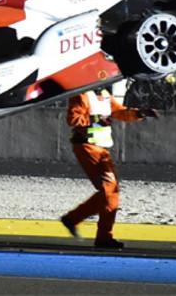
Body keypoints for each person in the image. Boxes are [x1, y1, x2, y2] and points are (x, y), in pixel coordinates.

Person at [59, 86, 159, 248]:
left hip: (100, 149)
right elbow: (73, 119)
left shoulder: (105, 96)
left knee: (109, 193)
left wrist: (140, 113)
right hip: (87, 147)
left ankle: (73, 219)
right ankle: (101, 236)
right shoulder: (82, 96)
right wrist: (97, 121)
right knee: (109, 191)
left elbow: (120, 112)